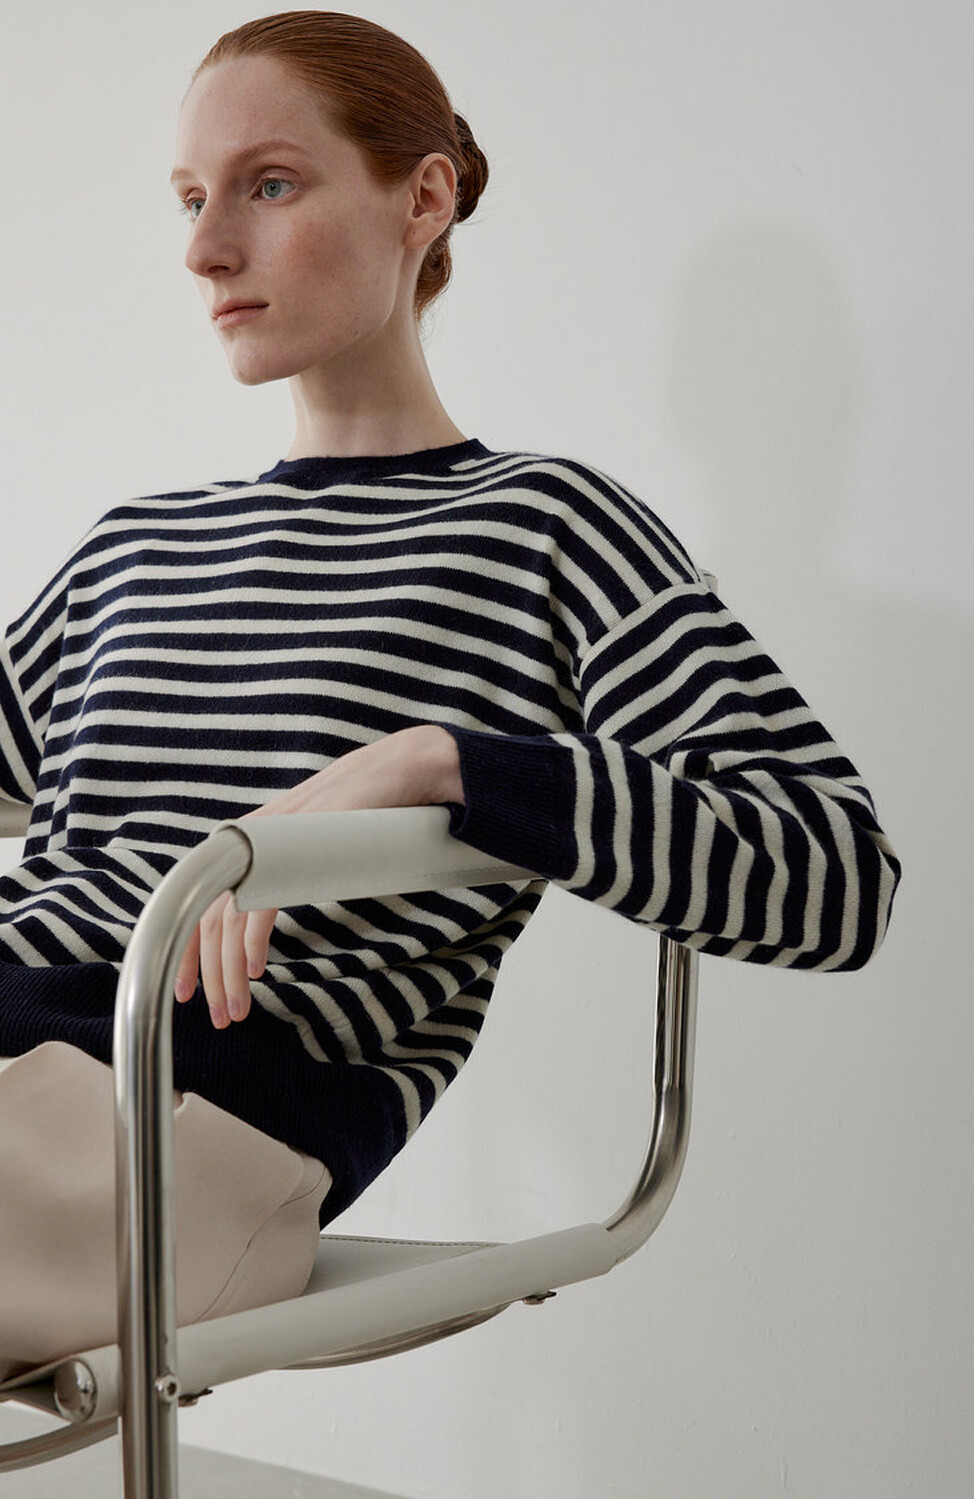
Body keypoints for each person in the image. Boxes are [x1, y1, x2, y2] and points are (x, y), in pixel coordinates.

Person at [0, 10, 900, 1381]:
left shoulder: (547, 531)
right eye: (190, 199)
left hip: (181, 1107)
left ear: (422, 198)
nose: (205, 249)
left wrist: (438, 762)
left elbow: (833, 873)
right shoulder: (139, 549)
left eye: (269, 184)